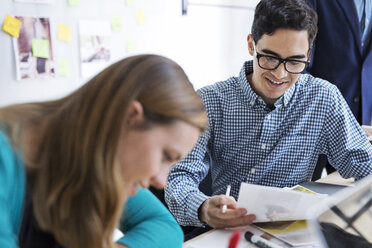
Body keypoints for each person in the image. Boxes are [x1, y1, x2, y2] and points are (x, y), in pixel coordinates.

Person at [165, 0, 372, 233]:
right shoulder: (210, 101)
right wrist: (202, 208)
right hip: (226, 232)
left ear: (308, 55)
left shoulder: (323, 98)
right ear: (251, 45)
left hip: (292, 232)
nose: (279, 74)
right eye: (270, 58)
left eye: (294, 61)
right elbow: (179, 176)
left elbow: (364, 164)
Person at [0, 54, 208, 248]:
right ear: (129, 116)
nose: (162, 181)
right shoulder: (6, 159)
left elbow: (165, 227)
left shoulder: (92, 161)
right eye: (166, 156)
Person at [305, 0, 372, 180]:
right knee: (304, 192)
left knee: (355, 198)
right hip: (316, 116)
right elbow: (301, 57)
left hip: (360, 118)